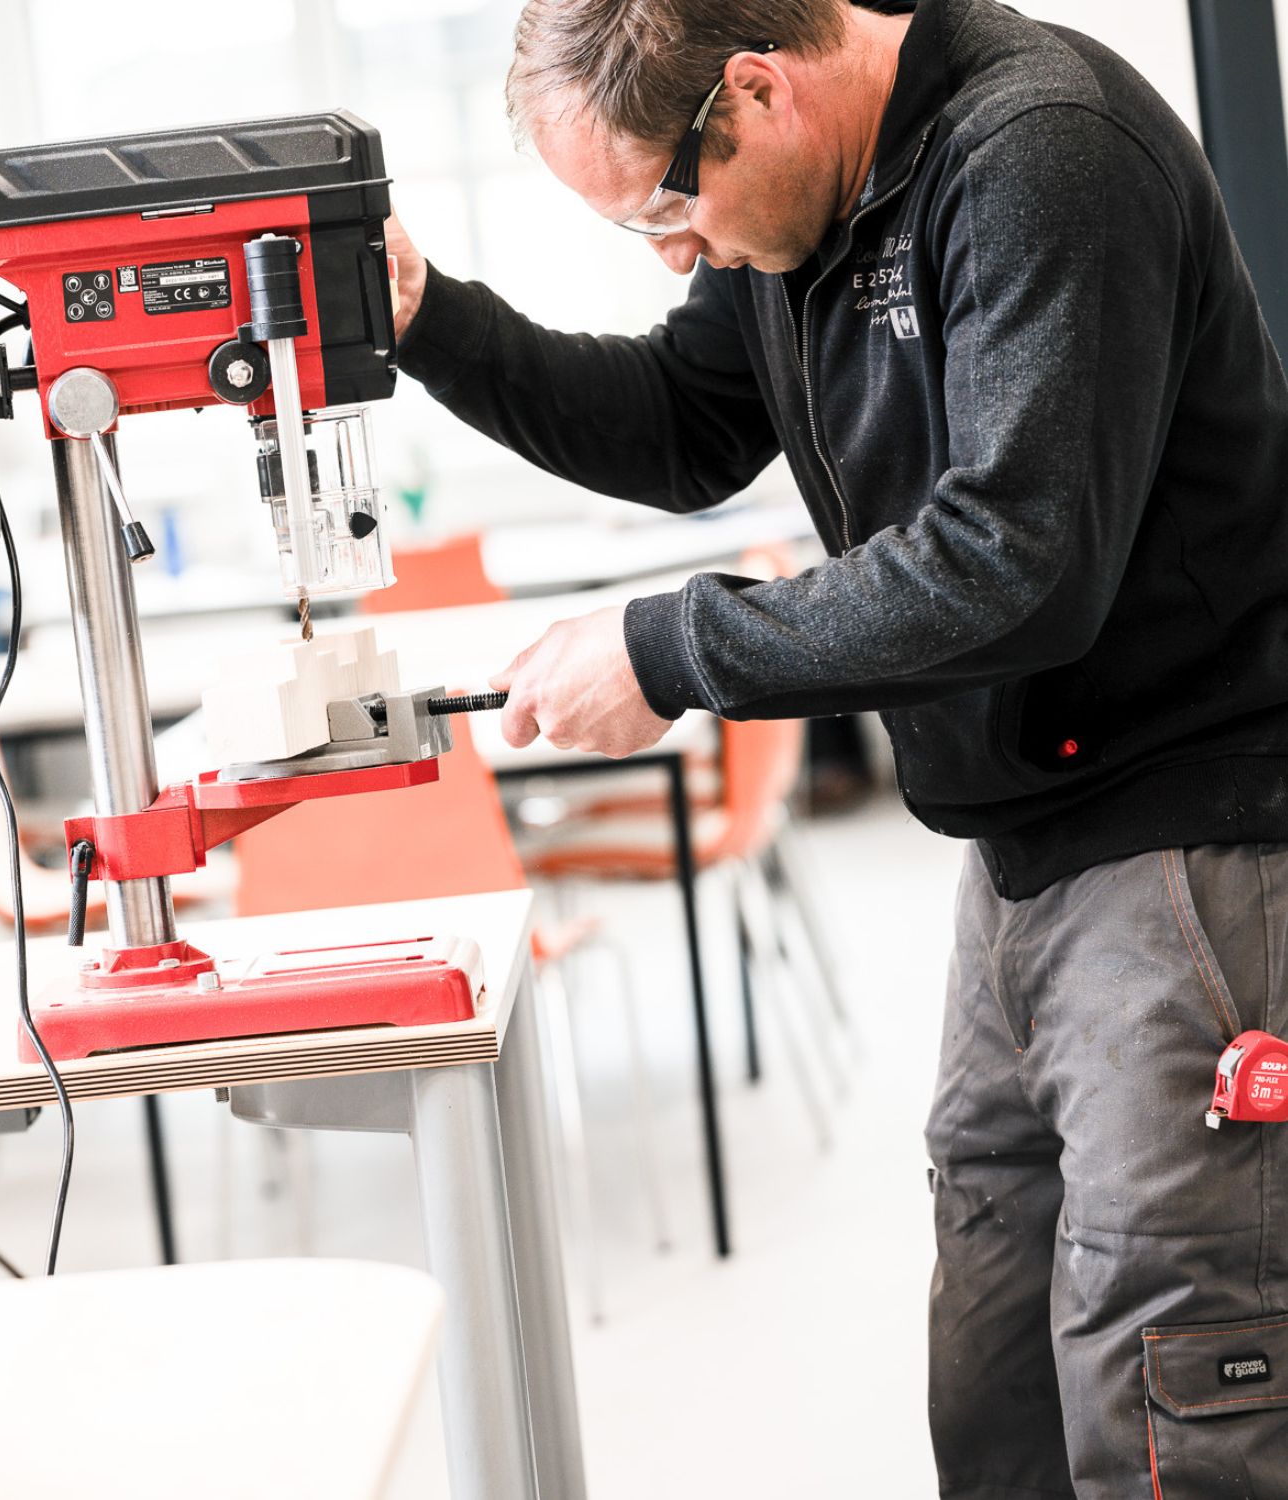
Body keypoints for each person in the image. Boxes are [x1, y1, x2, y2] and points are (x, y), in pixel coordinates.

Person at [389, 1, 1288, 1494]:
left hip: (1182, 849)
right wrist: (426, 319)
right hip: (1011, 863)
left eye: (665, 208)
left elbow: (1014, 560)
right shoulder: (802, 210)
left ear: (755, 91)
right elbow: (678, 427)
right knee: (995, 1392)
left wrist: (672, 653)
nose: (673, 253)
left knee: (1174, 1400)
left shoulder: (1039, 152)